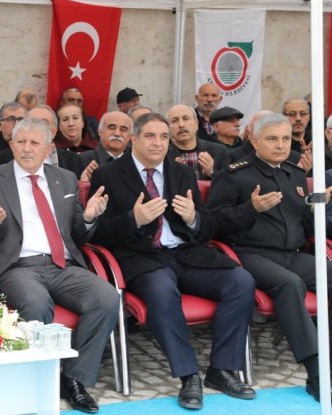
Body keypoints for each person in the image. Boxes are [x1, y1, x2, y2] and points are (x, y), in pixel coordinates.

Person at [89, 112, 256, 410]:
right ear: (134, 139)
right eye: (150, 136)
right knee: (163, 291)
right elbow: (97, 234)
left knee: (241, 281)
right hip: (142, 259)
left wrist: (193, 219)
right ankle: (188, 374)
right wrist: (133, 219)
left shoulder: (181, 173)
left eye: (163, 137)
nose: (158, 143)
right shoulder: (108, 175)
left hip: (186, 254)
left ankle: (222, 369)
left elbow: (208, 224)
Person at [0, 117, 118, 413]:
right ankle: (36, 380)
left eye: (35, 143)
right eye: (21, 142)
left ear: (48, 149)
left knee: (108, 298)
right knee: (35, 304)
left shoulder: (64, 179)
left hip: (64, 265)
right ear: (11, 145)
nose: (27, 148)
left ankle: (73, 379)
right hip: (17, 266)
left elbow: (78, 233)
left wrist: (88, 218)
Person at [208, 112, 332, 403]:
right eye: (272, 139)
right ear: (254, 139)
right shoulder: (235, 174)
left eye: (286, 139)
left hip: (291, 254)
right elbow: (213, 223)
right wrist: (250, 208)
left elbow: (300, 223)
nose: (280, 145)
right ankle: (316, 372)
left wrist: (314, 210)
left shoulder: (295, 173)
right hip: (250, 253)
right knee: (290, 285)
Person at [0, 105, 82, 178]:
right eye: (33, 122)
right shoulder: (1, 160)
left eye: (44, 123)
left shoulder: (73, 160)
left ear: (54, 131)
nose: (38, 128)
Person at [166, 104, 230, 180]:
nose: (181, 125)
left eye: (186, 119)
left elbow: (229, 185)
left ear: (196, 124)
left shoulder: (219, 151)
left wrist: (211, 172)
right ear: (167, 128)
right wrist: (172, 174)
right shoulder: (163, 154)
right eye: (175, 121)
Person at [79, 111, 132, 182]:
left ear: (130, 136)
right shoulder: (81, 160)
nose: (117, 133)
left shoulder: (136, 162)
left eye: (123, 129)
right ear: (100, 131)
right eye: (112, 127)